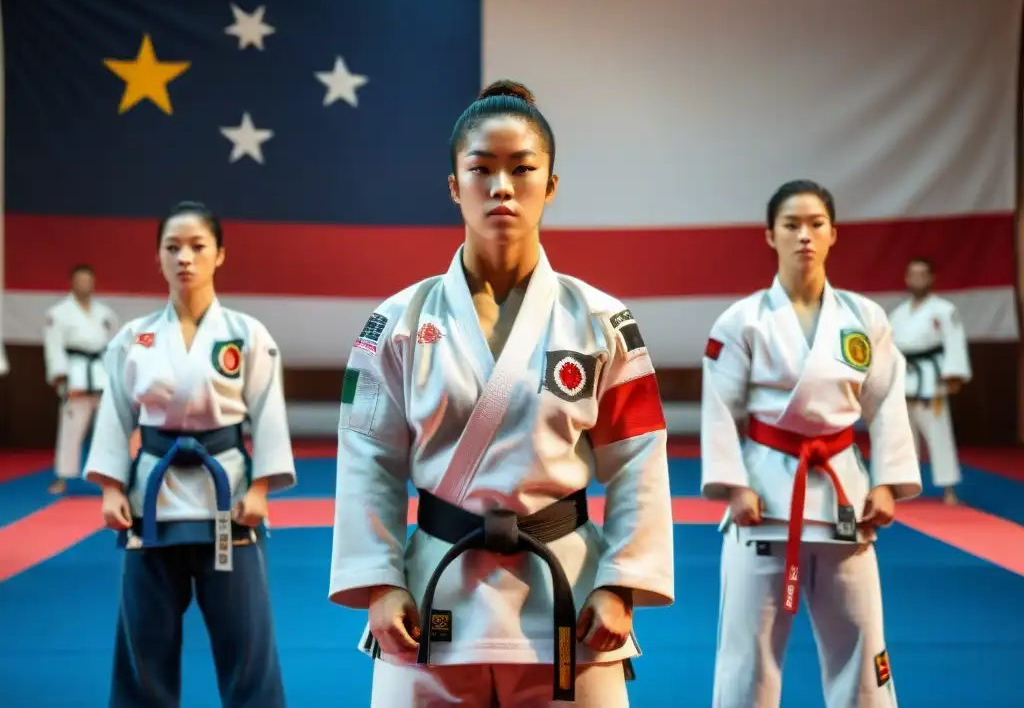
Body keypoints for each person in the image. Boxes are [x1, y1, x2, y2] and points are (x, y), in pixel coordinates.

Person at [328, 80, 675, 707]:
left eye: (523, 169)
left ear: (552, 184)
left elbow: (639, 460)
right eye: (481, 169)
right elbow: (365, 458)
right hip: (432, 591)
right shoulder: (397, 321)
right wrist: (379, 583)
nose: (502, 187)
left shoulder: (600, 319)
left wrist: (621, 585)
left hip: (568, 595)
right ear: (454, 186)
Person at [700, 180, 922, 708]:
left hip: (844, 493)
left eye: (816, 224)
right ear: (770, 236)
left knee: (864, 650)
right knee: (747, 657)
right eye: (792, 225)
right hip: (764, 497)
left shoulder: (865, 319)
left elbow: (887, 401)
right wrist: (734, 487)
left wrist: (888, 483)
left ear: (833, 234)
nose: (805, 235)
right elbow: (719, 408)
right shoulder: (742, 321)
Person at [83, 201, 296, 708]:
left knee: (247, 642)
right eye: (172, 247)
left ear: (220, 254)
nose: (185, 258)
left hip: (229, 498)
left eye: (198, 246)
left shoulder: (247, 334)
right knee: (144, 642)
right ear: (157, 258)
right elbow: (115, 412)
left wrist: (262, 489)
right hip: (150, 499)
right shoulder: (133, 337)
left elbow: (268, 413)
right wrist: (111, 488)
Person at [889, 257, 971, 505]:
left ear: (932, 278)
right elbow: (889, 350)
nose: (918, 279)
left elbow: (954, 342)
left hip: (931, 381)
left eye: (923, 274)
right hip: (903, 380)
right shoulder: (897, 314)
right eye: (913, 275)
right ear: (906, 279)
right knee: (903, 437)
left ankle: (948, 488)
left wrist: (953, 375)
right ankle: (904, 486)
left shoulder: (945, 310)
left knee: (939, 433)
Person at [42, 264, 119, 494]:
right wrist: (60, 378)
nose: (84, 284)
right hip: (75, 374)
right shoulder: (58, 313)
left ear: (93, 283)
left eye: (88, 280)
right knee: (71, 427)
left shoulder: (105, 313)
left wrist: (116, 375)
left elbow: (115, 345)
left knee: (109, 429)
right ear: (72, 283)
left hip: (101, 373)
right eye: (80, 280)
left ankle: (111, 477)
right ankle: (63, 476)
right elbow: (53, 347)